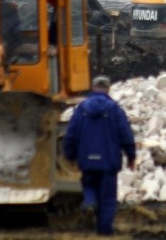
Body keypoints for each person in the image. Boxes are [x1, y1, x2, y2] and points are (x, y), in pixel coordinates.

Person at [63, 75, 136, 236]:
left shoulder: (81, 109)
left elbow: (71, 135)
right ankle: (104, 232)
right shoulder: (115, 110)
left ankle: (89, 202)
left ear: (93, 88)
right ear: (108, 89)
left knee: (89, 186)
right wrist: (131, 156)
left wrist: (69, 155)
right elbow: (126, 135)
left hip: (86, 161)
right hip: (108, 162)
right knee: (108, 198)